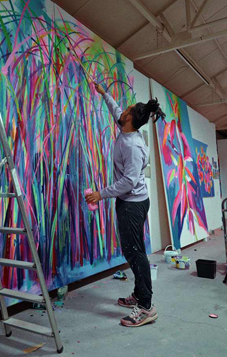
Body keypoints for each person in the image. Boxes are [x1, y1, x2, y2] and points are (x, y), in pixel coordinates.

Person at [85, 82, 165, 327]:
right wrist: (103, 93)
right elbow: (114, 108)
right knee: (132, 250)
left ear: (129, 118)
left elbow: (129, 182)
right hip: (130, 202)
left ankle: (146, 307)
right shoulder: (127, 127)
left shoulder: (133, 146)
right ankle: (139, 295)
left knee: (134, 252)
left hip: (132, 203)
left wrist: (101, 194)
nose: (122, 110)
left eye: (126, 109)